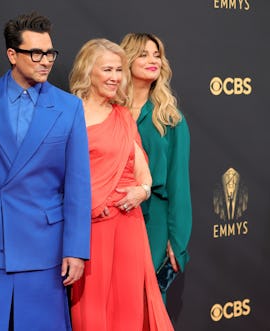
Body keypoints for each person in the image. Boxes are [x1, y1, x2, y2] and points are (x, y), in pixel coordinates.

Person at [0, 12, 91, 331]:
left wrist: (76, 249)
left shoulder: (69, 107)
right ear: (12, 54)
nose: (46, 61)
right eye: (36, 53)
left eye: (50, 53)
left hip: (45, 245)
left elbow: (78, 185)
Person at [69, 38, 173, 330]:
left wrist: (142, 191)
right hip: (91, 228)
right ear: (88, 72)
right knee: (91, 310)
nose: (115, 77)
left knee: (128, 309)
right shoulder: (69, 114)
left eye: (119, 70)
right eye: (107, 70)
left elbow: (145, 174)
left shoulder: (123, 115)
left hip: (128, 222)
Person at [120, 33, 192, 302]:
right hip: (112, 215)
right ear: (126, 60)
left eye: (157, 54)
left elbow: (179, 184)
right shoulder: (109, 110)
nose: (153, 60)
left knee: (145, 299)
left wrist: (177, 239)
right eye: (144, 54)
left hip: (155, 221)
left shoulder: (170, 118)